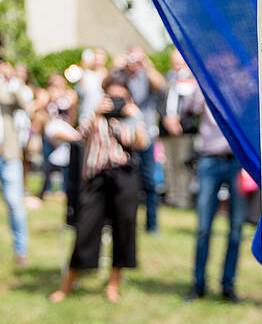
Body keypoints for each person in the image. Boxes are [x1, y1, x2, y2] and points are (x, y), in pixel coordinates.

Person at [50, 71, 148, 303]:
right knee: (85, 227)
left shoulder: (133, 115)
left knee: (124, 228)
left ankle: (114, 283)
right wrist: (96, 114)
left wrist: (133, 117)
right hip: (97, 176)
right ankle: (68, 282)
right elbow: (79, 136)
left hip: (124, 175)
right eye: (111, 97)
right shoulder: (96, 112)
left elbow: (142, 143)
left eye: (120, 98)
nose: (114, 102)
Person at [183, 87, 247, 303]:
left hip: (238, 161)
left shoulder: (242, 86)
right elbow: (187, 109)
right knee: (203, 227)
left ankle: (227, 285)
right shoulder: (204, 84)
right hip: (209, 160)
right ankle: (198, 284)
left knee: (236, 228)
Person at [122, 45, 165, 232]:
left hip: (146, 134)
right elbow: (106, 83)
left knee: (149, 181)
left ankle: (151, 225)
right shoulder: (121, 75)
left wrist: (145, 64)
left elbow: (161, 85)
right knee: (125, 180)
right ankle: (125, 221)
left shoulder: (146, 75)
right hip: (125, 134)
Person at [0, 59, 33, 266]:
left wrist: (13, 79)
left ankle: (21, 251)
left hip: (8, 154)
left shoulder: (9, 89)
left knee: (14, 203)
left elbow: (25, 104)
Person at [159, 50, 200, 208]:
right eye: (174, 61)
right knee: (169, 165)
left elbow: (193, 106)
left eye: (180, 60)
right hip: (166, 129)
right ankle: (171, 197)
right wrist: (166, 120)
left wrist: (178, 121)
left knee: (183, 164)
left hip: (185, 129)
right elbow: (160, 101)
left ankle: (183, 198)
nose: (177, 64)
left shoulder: (191, 79)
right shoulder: (166, 78)